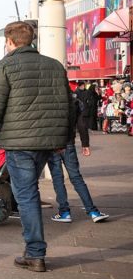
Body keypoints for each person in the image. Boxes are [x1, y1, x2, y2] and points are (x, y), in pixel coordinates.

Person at [0, 21, 70, 273]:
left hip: (19, 143)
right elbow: (67, 106)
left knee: (26, 195)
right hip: (47, 142)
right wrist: (65, 140)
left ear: (9, 41)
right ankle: (34, 251)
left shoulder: (4, 67)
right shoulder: (54, 66)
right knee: (30, 192)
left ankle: (35, 253)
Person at [49, 87, 109, 224]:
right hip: (68, 143)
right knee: (76, 177)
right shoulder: (74, 102)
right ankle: (93, 211)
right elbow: (82, 125)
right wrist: (85, 144)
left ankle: (64, 212)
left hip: (52, 145)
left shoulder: (49, 101)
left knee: (57, 178)